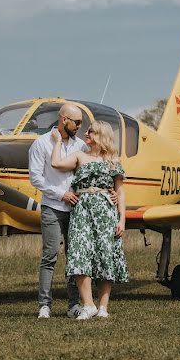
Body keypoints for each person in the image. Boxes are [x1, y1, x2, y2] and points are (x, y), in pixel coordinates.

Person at [50, 120, 128, 320]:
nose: (86, 133)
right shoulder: (79, 156)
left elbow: (119, 191)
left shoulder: (112, 160)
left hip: (105, 212)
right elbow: (56, 163)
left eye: (91, 131)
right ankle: (88, 304)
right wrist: (58, 141)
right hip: (82, 210)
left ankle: (103, 307)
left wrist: (122, 220)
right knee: (78, 253)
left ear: (100, 135)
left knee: (105, 254)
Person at [28, 103, 86, 319]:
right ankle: (44, 305)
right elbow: (36, 178)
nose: (80, 126)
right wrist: (60, 194)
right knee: (49, 255)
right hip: (52, 207)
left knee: (75, 257)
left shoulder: (82, 145)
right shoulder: (40, 144)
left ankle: (73, 305)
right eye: (77, 122)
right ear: (64, 120)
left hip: (76, 209)